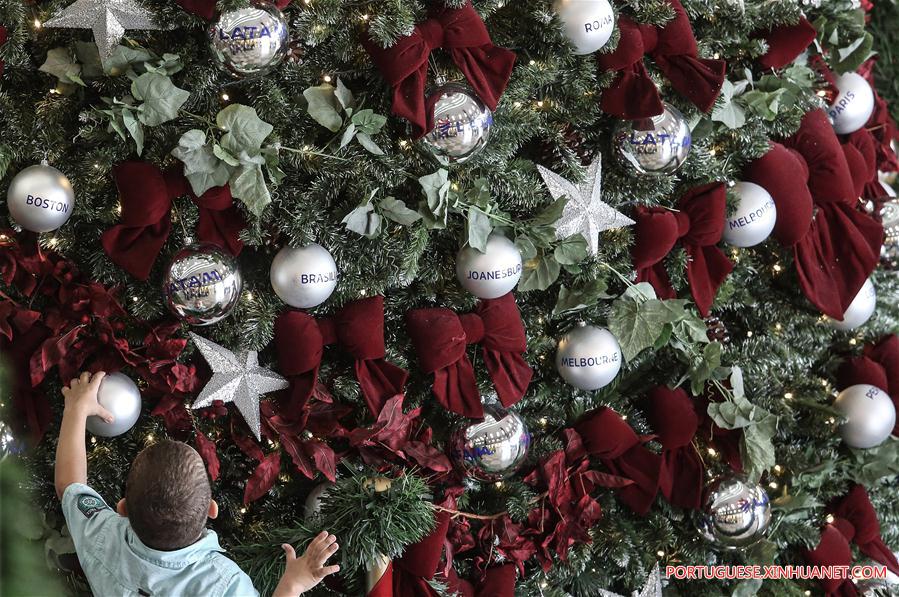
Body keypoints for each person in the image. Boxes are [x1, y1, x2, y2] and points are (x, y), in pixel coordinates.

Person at [54, 370, 339, 596]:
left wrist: (76, 410)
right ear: (212, 509)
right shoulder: (224, 584)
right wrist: (292, 585)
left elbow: (69, 486)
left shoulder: (104, 536)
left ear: (123, 508)